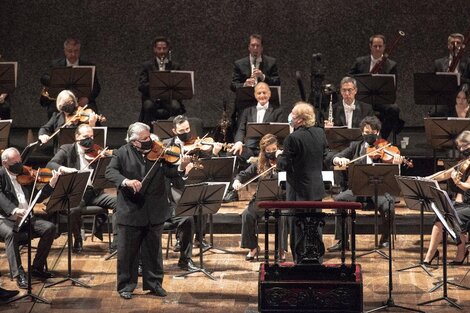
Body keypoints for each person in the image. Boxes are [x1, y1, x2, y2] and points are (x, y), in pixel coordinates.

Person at [105, 122, 191, 300]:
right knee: (128, 251)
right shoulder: (122, 152)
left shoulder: (159, 152)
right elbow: (110, 172)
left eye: (150, 136)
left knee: (153, 250)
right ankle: (126, 286)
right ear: (134, 141)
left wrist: (182, 166)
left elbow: (171, 172)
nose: (149, 140)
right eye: (145, 138)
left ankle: (154, 284)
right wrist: (126, 181)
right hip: (131, 209)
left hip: (155, 209)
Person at [328, 116, 403, 252]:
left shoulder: (385, 147)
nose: (367, 135)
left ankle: (385, 239)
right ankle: (343, 241)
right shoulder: (355, 146)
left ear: (377, 132)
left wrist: (396, 162)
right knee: (339, 201)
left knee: (389, 206)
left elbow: (395, 171)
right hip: (358, 189)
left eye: (370, 133)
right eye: (364, 132)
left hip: (379, 190)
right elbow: (336, 156)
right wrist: (339, 159)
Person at [46, 124, 117, 253]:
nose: (89, 139)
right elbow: (51, 164)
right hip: (77, 192)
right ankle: (77, 237)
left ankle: (117, 244)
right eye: (85, 136)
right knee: (73, 209)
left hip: (95, 193)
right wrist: (64, 168)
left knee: (120, 203)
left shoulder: (97, 151)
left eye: (91, 136)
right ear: (77, 137)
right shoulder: (67, 149)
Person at [0, 148, 59, 288]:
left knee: (49, 228)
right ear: (5, 163)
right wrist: (13, 209)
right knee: (10, 233)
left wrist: (51, 184)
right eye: (15, 162)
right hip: (5, 218)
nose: (19, 164)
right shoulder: (1, 174)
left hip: (26, 218)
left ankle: (37, 268)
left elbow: (37, 197)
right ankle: (19, 274)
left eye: (20, 160)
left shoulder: (25, 175)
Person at [277, 102, 328, 263]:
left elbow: (283, 165)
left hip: (298, 191)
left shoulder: (292, 138)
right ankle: (317, 260)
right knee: (315, 225)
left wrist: (279, 155)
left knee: (298, 227)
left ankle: (299, 262)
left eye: (292, 114)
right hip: (316, 188)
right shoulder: (320, 133)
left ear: (299, 119)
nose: (290, 117)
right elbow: (324, 155)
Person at [232, 134, 287, 261]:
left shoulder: (284, 161)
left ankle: (281, 249)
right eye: (268, 151)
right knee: (247, 215)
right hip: (262, 200)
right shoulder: (259, 163)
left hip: (281, 200)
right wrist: (237, 181)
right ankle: (253, 247)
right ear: (264, 151)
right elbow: (243, 174)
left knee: (283, 217)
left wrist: (281, 160)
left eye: (274, 150)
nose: (271, 153)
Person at [225, 82, 283, 202]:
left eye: (264, 92)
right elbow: (241, 129)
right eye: (259, 93)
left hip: (269, 150)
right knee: (232, 154)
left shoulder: (278, 111)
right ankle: (233, 191)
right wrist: (239, 142)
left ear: (270, 94)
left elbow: (280, 133)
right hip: (251, 149)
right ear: (255, 95)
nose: (262, 95)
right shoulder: (247, 111)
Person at [423, 130, 470, 265]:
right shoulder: (464, 162)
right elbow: (445, 174)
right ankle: (430, 255)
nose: (461, 149)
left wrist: (459, 183)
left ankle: (461, 251)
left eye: (464, 146)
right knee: (440, 215)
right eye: (459, 147)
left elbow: (468, 186)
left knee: (451, 215)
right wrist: (427, 179)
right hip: (465, 203)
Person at [348, 34, 403, 140]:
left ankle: (382, 137)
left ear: (384, 47)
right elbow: (349, 77)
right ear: (370, 46)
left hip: (381, 100)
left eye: (380, 46)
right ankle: (358, 138)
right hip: (363, 98)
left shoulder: (391, 65)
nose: (378, 49)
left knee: (394, 109)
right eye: (375, 46)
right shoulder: (360, 62)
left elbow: (393, 87)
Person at [40, 38, 101, 118]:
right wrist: (57, 80)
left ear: (79, 51)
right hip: (61, 100)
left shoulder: (88, 66)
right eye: (70, 51)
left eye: (76, 51)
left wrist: (87, 99)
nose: (73, 54)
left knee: (92, 113)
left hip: (81, 100)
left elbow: (96, 87)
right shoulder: (55, 64)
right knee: (52, 110)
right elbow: (43, 78)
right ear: (65, 51)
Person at [230, 34, 280, 127]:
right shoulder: (239, 64)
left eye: (258, 46)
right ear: (249, 47)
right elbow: (233, 85)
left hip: (265, 103)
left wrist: (263, 76)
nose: (255, 48)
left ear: (262, 48)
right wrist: (245, 84)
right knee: (242, 128)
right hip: (246, 104)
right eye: (253, 45)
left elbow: (277, 82)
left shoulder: (271, 62)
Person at [138, 36, 186, 127]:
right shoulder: (147, 66)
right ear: (154, 49)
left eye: (164, 48)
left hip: (168, 98)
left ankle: (175, 130)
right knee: (148, 106)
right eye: (159, 49)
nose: (161, 51)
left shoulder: (175, 66)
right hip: (152, 98)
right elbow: (141, 86)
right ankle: (149, 131)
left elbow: (179, 86)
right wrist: (156, 85)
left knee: (176, 107)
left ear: (168, 49)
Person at [0, 54, 12, 119]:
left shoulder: (6, 68)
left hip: (3, 97)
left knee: (5, 107)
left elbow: (9, 85)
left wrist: (2, 96)